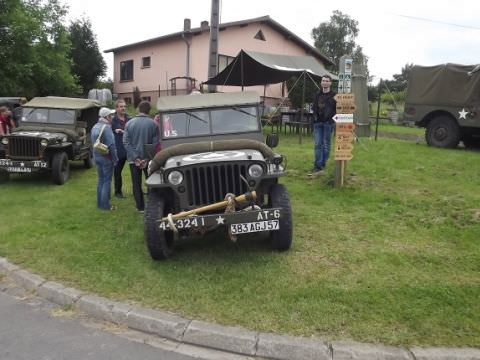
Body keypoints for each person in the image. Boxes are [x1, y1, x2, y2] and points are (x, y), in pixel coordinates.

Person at [123, 101, 159, 213]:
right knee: (152, 182)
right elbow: (155, 144)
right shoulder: (153, 124)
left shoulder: (129, 123)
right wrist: (146, 159)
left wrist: (135, 158)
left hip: (134, 161)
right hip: (148, 160)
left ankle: (140, 207)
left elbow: (126, 142)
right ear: (149, 110)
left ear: (138, 109)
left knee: (136, 183)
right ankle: (152, 205)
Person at [91, 107, 119, 211]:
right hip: (106, 157)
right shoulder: (106, 127)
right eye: (111, 115)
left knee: (101, 180)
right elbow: (112, 145)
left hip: (97, 156)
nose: (112, 117)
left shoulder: (94, 127)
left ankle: (100, 204)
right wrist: (115, 159)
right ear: (107, 117)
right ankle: (105, 206)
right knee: (107, 181)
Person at [309, 75, 336, 176]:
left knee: (326, 145)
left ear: (330, 83)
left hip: (328, 123)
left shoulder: (334, 95)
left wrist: (331, 119)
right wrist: (315, 117)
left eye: (326, 81)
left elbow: (338, 109)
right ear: (321, 82)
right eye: (323, 80)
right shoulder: (317, 94)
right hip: (318, 123)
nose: (324, 82)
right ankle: (318, 166)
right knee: (317, 144)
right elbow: (314, 107)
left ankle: (322, 164)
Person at [111, 99, 130, 198]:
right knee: (117, 171)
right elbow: (114, 131)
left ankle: (138, 190)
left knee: (136, 171)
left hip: (130, 149)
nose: (123, 108)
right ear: (116, 108)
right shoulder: (113, 120)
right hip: (119, 149)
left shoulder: (129, 118)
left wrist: (122, 131)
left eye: (124, 106)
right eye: (121, 106)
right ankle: (118, 192)